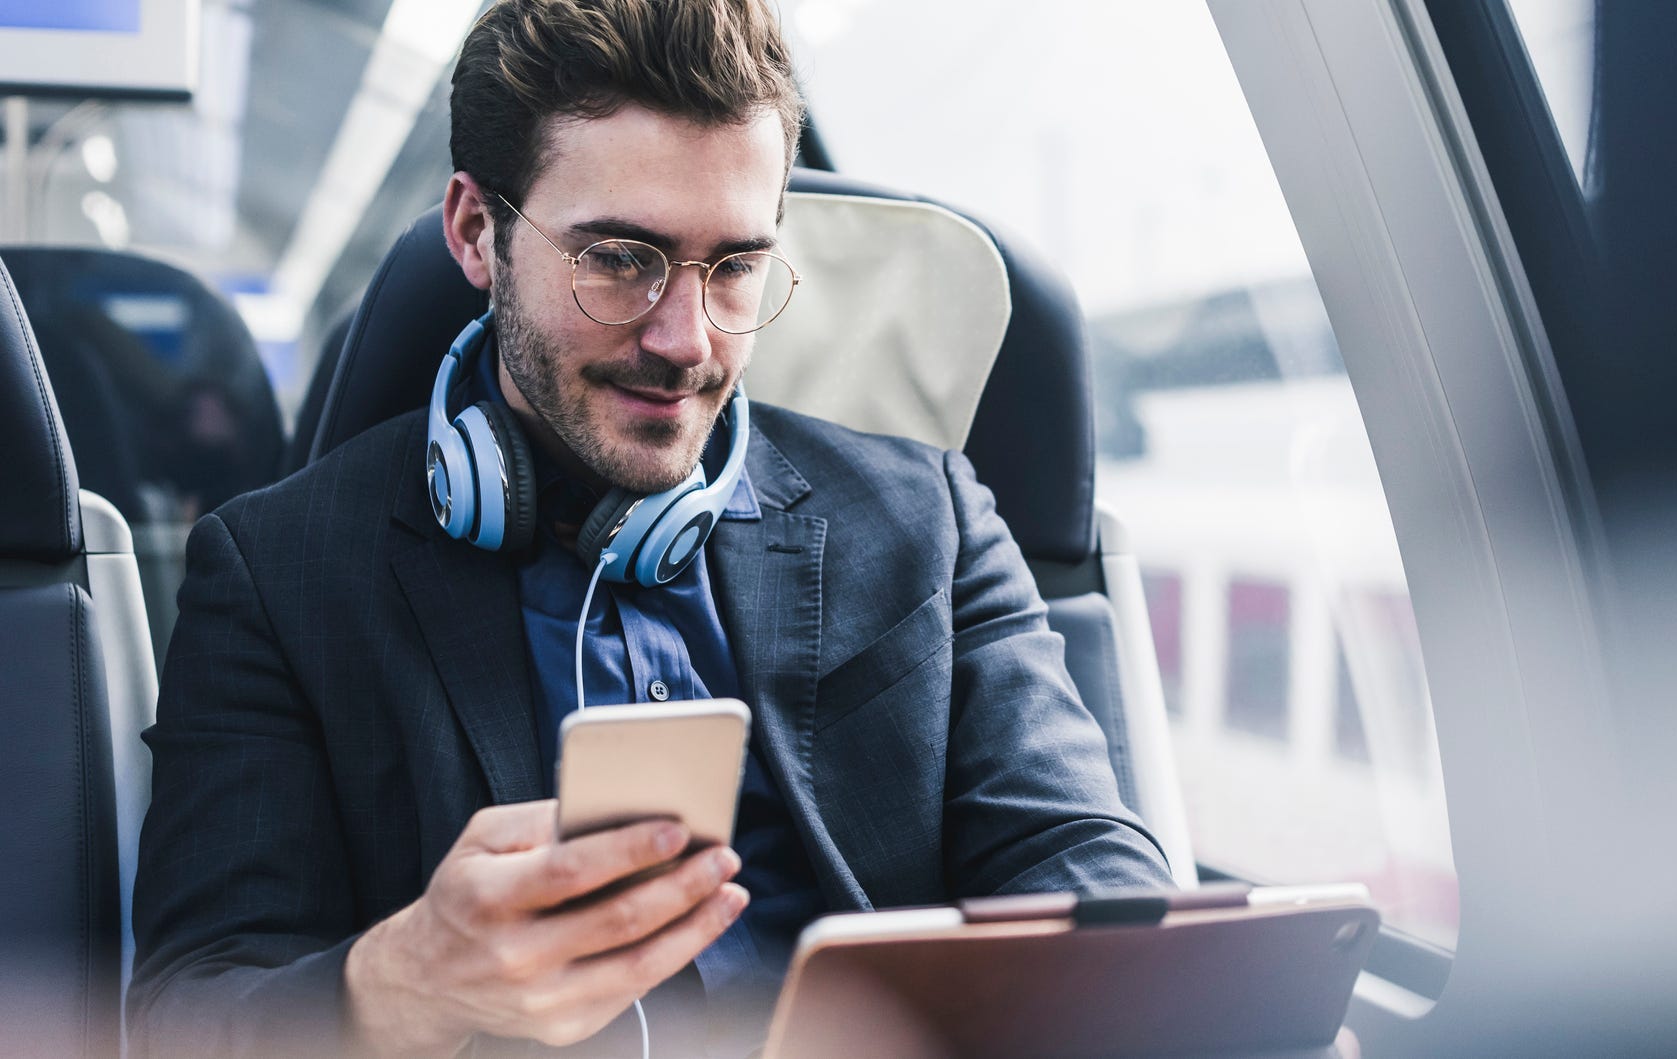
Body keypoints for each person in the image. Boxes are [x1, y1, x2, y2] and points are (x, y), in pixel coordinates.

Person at [125, 1, 1171, 1055]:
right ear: (476, 233)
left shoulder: (925, 522)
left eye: (734, 267)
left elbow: (1082, 858)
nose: (687, 341)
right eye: (620, 259)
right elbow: (185, 1013)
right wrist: (397, 986)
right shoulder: (281, 572)